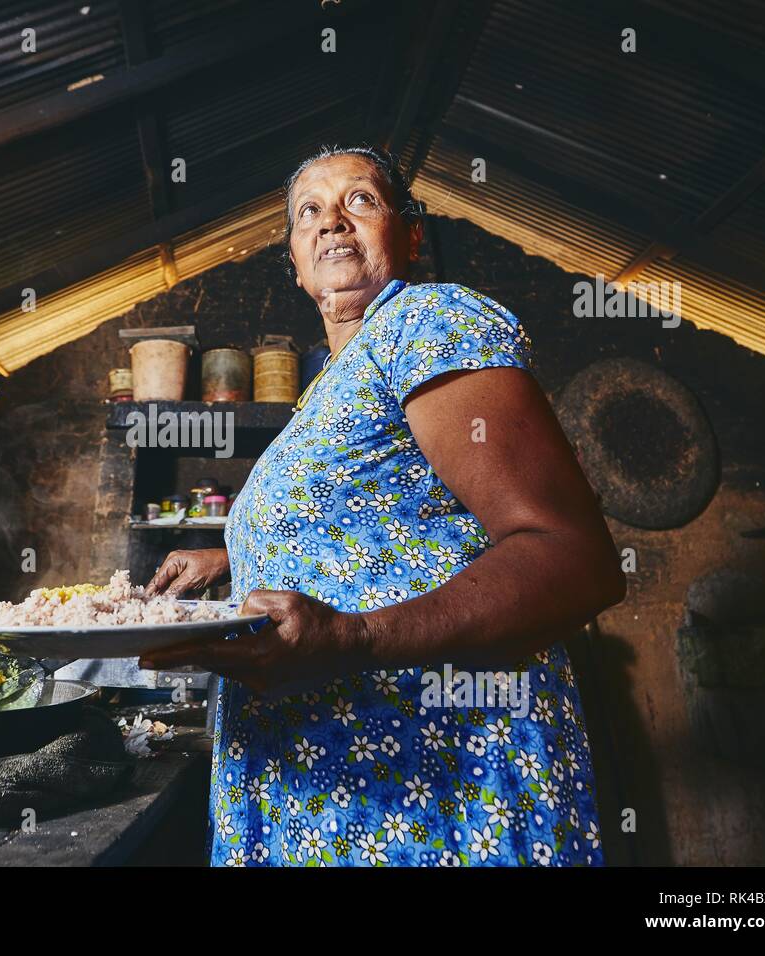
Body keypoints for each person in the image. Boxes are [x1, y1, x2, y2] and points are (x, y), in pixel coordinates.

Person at [140, 145, 625, 867]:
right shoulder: (331, 383)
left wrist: (352, 639)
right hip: (321, 786)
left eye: (361, 200)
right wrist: (237, 555)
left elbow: (572, 559)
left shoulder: (429, 322)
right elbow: (389, 518)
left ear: (413, 235)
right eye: (310, 212)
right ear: (297, 264)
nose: (333, 220)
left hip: (426, 786)